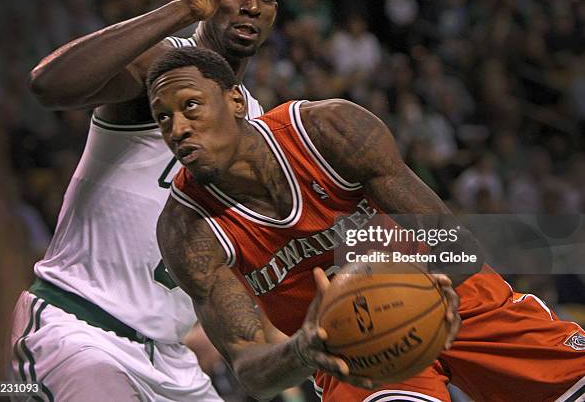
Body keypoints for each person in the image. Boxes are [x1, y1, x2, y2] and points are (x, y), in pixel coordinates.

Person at [150, 47, 585, 402]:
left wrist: (395, 297)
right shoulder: (187, 230)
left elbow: (459, 247)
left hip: (455, 296)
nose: (179, 128)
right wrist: (305, 349)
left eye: (190, 106)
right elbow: (251, 370)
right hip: (352, 356)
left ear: (236, 101)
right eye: (164, 118)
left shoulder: (326, 130)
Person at [9, 0, 278, 401]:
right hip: (80, 327)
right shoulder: (163, 66)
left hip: (172, 361)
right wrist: (180, 11)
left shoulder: (255, 122)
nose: (251, 4)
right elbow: (48, 84)